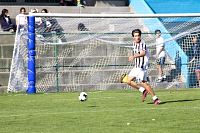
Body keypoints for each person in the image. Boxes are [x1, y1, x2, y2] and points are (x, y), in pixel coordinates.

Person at [121, 29, 161, 105]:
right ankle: (143, 91)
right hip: (136, 67)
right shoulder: (133, 43)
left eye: (138, 35)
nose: (137, 37)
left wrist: (133, 56)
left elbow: (143, 53)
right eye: (135, 36)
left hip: (141, 67)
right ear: (133, 37)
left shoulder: (142, 43)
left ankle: (155, 99)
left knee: (144, 83)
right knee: (127, 80)